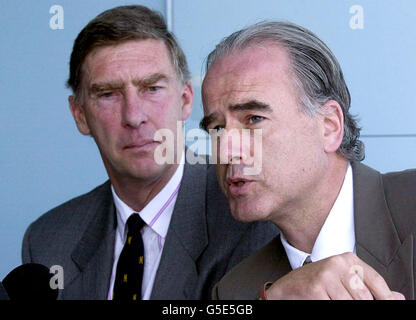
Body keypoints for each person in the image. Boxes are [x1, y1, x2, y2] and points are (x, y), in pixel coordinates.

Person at [21, 6, 277, 300]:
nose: (133, 116)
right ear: (79, 115)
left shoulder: (252, 218)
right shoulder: (47, 240)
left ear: (185, 100)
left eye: (151, 88)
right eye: (108, 94)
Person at [201, 21, 416, 300]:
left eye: (253, 119)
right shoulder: (233, 291)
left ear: (328, 126)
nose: (226, 151)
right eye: (216, 129)